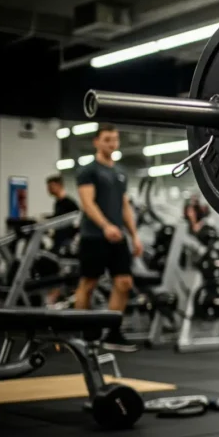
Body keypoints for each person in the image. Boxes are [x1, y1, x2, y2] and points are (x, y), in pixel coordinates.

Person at [74, 124, 141, 352]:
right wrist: (105, 226)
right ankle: (82, 333)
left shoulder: (119, 172)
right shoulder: (89, 170)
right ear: (97, 142)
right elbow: (87, 203)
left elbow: (124, 206)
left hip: (117, 236)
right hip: (94, 236)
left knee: (124, 283)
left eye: (115, 139)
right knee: (88, 284)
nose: (112, 144)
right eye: (107, 140)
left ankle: (112, 333)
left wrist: (134, 235)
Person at [45, 174, 80, 305]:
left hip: (65, 246)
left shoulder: (70, 203)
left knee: (60, 273)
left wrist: (70, 242)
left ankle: (58, 296)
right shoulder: (58, 203)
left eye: (50, 187)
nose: (48, 190)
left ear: (59, 185)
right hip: (57, 243)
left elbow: (77, 224)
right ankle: (54, 297)